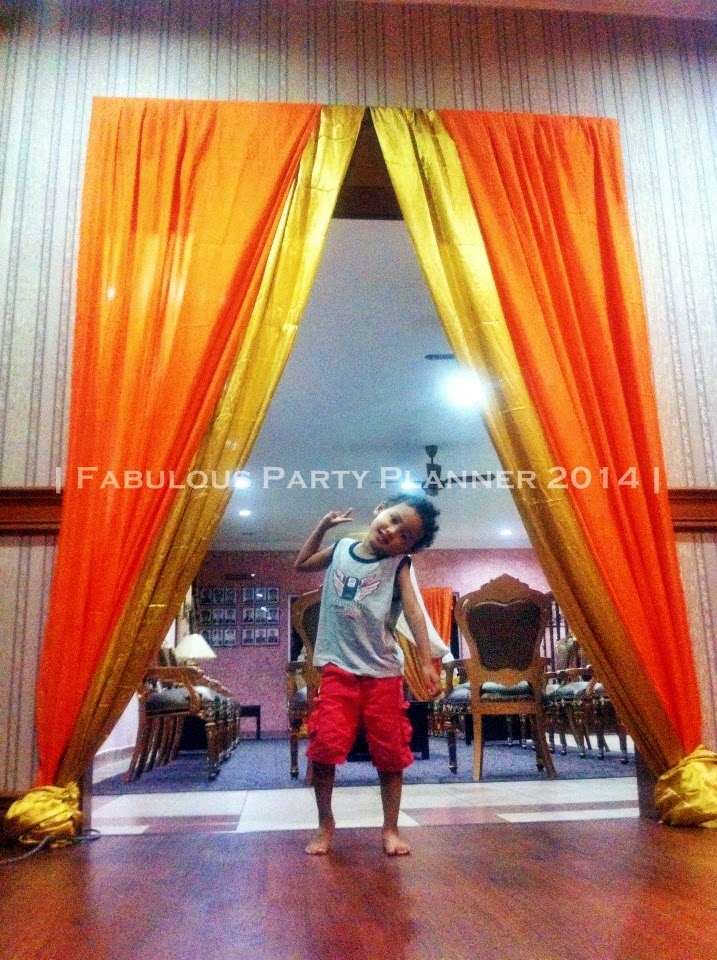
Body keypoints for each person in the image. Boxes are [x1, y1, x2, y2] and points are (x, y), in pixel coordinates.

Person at [294, 493, 441, 856]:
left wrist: (426, 661)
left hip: (382, 674)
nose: (392, 532)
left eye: (405, 536)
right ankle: (325, 822)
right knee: (324, 747)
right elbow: (302, 564)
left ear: (409, 548)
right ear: (380, 510)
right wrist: (322, 527)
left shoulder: (398, 565)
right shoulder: (341, 548)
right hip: (338, 670)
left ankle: (390, 828)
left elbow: (414, 612)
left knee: (391, 752)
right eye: (393, 519)